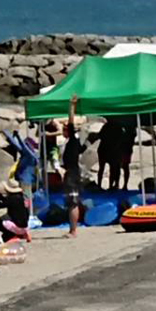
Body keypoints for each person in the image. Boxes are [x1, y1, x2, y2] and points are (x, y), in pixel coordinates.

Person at [62, 95, 83, 238]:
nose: (63, 130)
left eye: (64, 129)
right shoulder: (74, 142)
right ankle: (73, 229)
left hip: (72, 173)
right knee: (71, 201)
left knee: (73, 202)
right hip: (72, 172)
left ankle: (73, 230)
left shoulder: (73, 140)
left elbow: (71, 123)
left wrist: (72, 106)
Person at [96, 119, 124, 191]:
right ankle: (110, 185)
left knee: (102, 168)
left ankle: (100, 185)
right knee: (112, 168)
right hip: (111, 150)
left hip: (104, 149)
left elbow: (100, 135)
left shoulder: (106, 126)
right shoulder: (118, 127)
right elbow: (121, 139)